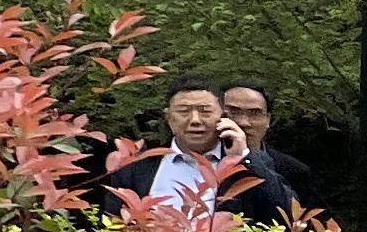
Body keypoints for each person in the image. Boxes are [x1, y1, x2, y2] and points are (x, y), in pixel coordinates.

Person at [98, 79, 295, 222]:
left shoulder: (246, 163)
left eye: (205, 111)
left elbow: (285, 216)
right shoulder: (136, 167)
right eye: (183, 111)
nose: (195, 120)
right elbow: (114, 228)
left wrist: (243, 156)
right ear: (169, 118)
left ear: (223, 116)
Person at [217, 83, 315, 223]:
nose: (244, 122)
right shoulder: (206, 160)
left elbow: (299, 225)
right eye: (234, 111)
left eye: (255, 113)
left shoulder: (294, 170)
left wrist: (246, 156)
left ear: (268, 119)